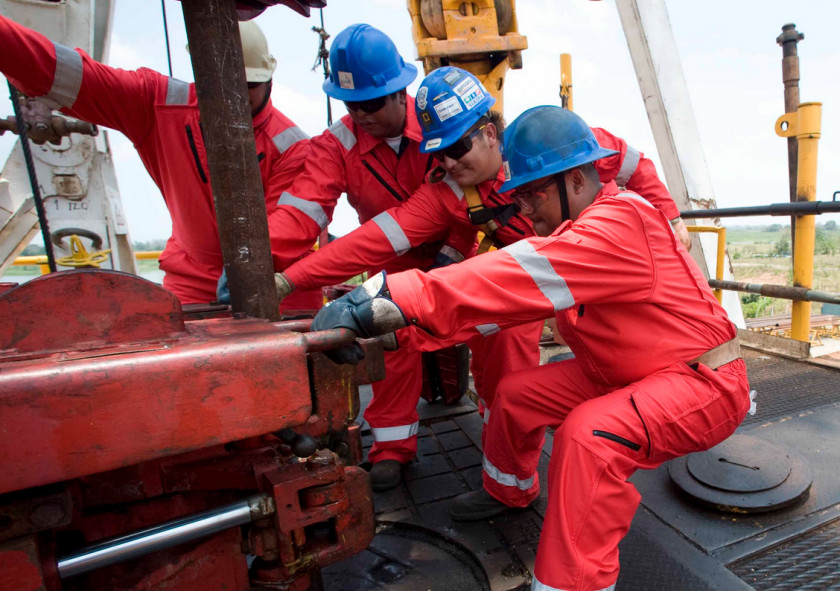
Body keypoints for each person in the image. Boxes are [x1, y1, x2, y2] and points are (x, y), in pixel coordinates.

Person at [309, 105, 751, 591]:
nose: (522, 209)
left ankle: (574, 584)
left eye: (532, 194)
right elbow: (499, 310)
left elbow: (515, 272)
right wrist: (396, 334)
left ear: (577, 181)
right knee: (517, 395)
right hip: (628, 372)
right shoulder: (577, 235)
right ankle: (510, 491)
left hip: (701, 383)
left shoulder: (621, 221)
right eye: (518, 195)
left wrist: (386, 297)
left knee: (591, 436)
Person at [275, 67, 692, 502]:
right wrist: (291, 279)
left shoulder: (553, 145)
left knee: (605, 362)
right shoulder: (449, 193)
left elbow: (633, 163)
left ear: (491, 134)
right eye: (438, 155)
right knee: (504, 364)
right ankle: (507, 478)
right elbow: (380, 236)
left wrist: (673, 219)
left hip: (596, 277)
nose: (450, 163)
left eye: (457, 147)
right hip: (535, 282)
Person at [263, 24, 474, 491]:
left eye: (373, 103)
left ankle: (504, 431)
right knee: (388, 342)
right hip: (392, 259)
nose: (361, 115)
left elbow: (471, 194)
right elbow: (303, 212)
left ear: (402, 92)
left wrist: (451, 254)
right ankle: (394, 447)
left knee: (499, 332)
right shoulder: (335, 145)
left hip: (458, 254)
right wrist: (266, 265)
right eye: (350, 104)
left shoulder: (439, 121)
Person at [0, 16, 316, 308]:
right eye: (224, 82)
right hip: (191, 282)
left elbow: (286, 227)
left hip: (280, 285)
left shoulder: (292, 146)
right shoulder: (157, 105)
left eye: (248, 85)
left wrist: (245, 273)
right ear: (201, 73)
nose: (235, 95)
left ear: (270, 79)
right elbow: (68, 75)